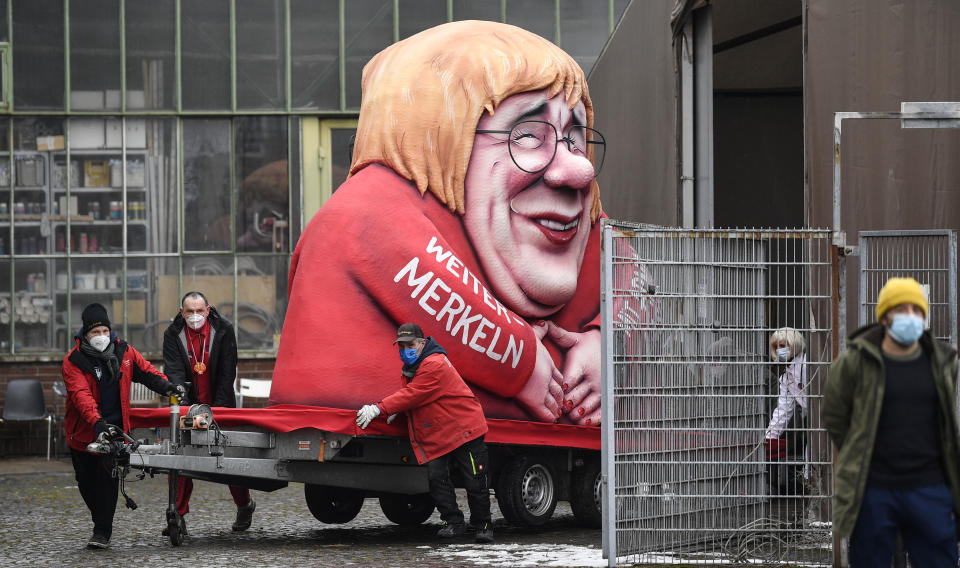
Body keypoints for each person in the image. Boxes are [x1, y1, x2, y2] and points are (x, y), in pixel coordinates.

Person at [272, 20, 657, 427]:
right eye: (526, 135)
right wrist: (520, 361)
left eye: (574, 136)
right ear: (436, 139)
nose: (577, 171)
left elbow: (636, 280)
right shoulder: (369, 208)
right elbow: (416, 274)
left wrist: (607, 345)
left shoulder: (580, 219)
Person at [824, 277, 960, 566]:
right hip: (874, 491)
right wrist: (858, 447)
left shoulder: (944, 362)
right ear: (884, 317)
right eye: (901, 309)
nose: (910, 316)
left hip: (930, 490)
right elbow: (835, 415)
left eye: (916, 310)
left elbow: (945, 424)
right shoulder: (854, 363)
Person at [356, 323, 494, 544]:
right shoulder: (416, 366)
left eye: (409, 345)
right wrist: (397, 409)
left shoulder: (434, 364)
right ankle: (454, 523)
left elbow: (415, 393)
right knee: (436, 478)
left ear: (422, 344)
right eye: (401, 347)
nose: (404, 351)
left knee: (476, 481)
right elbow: (414, 395)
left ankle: (483, 527)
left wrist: (381, 408)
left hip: (465, 429)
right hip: (442, 433)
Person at [63, 302, 182, 549]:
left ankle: (102, 531)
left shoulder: (124, 352)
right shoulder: (74, 361)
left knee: (108, 481)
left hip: (116, 431)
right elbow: (81, 396)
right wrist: (97, 423)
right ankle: (100, 520)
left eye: (105, 331)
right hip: (85, 433)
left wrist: (168, 386)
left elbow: (148, 373)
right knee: (86, 483)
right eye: (95, 333)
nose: (101, 337)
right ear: (85, 334)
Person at [161, 291, 255, 535]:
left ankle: (244, 505)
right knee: (180, 460)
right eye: (189, 312)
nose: (194, 316)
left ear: (208, 309)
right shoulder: (172, 333)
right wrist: (185, 402)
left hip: (220, 402)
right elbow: (173, 372)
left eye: (199, 311)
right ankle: (178, 515)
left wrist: (218, 410)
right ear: (181, 312)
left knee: (231, 460)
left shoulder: (223, 329)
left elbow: (227, 372)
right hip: (189, 405)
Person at [764, 327, 808, 495]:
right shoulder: (786, 376)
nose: (780, 350)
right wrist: (769, 438)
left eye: (784, 345)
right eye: (777, 346)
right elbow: (782, 410)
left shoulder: (806, 365)